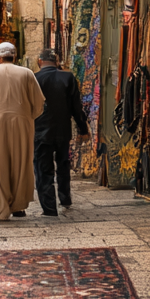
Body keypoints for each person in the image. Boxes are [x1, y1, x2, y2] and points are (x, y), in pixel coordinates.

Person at [0, 42, 45, 221]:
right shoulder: (26, 73)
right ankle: (19, 206)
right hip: (22, 123)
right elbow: (38, 102)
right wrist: (29, 116)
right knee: (21, 163)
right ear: (15, 56)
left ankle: (3, 209)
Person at [33, 49, 90, 217]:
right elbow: (76, 107)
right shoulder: (68, 77)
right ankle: (65, 198)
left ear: (39, 61)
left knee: (43, 169)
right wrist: (83, 128)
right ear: (56, 62)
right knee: (63, 164)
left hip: (40, 130)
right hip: (62, 130)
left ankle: (49, 207)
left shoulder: (34, 78)